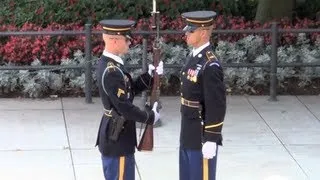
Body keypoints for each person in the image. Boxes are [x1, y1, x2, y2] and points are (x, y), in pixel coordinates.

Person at [95, 19, 163, 180]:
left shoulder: (112, 64)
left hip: (119, 135)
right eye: (127, 39)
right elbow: (124, 107)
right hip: (118, 136)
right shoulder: (111, 70)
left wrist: (149, 77)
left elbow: (128, 91)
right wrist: (150, 117)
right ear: (114, 40)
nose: (130, 42)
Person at [178, 11, 227, 180]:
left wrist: (212, 138)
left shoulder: (210, 64)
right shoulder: (194, 56)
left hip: (200, 133)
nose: (186, 33)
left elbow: (216, 104)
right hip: (188, 129)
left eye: (191, 30)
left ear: (204, 32)